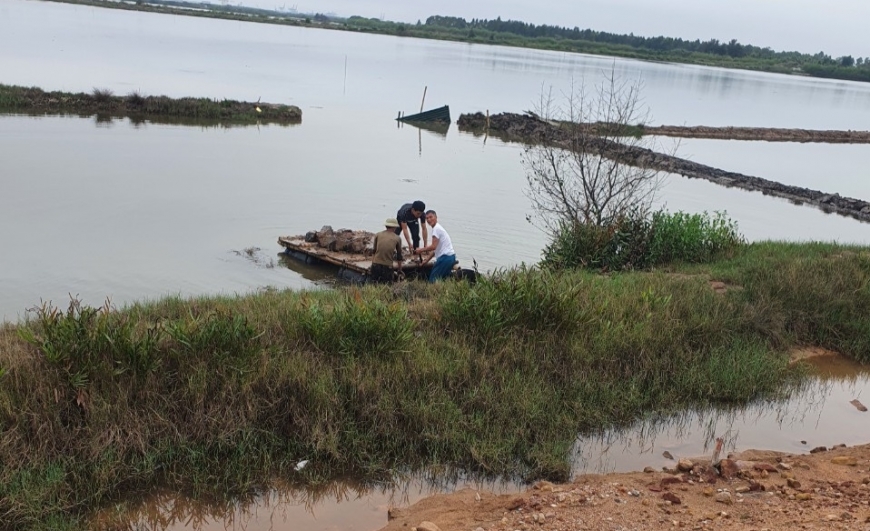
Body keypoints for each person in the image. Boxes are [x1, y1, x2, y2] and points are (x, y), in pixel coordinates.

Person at [414, 210, 456, 282]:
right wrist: (426, 260)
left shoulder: (436, 229)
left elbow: (433, 246)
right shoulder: (437, 228)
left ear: (436, 217)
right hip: (450, 257)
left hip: (445, 258)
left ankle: (432, 292)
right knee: (443, 280)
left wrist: (420, 250)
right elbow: (435, 249)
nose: (429, 220)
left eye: (431, 217)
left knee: (432, 281)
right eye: (427, 218)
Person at [370, 218, 403, 283]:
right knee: (387, 286)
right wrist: (399, 269)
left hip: (376, 265)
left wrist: (373, 264)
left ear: (386, 226)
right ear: (395, 227)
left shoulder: (378, 234)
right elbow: (399, 256)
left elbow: (374, 251)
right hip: (388, 267)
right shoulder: (397, 238)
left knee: (374, 284)